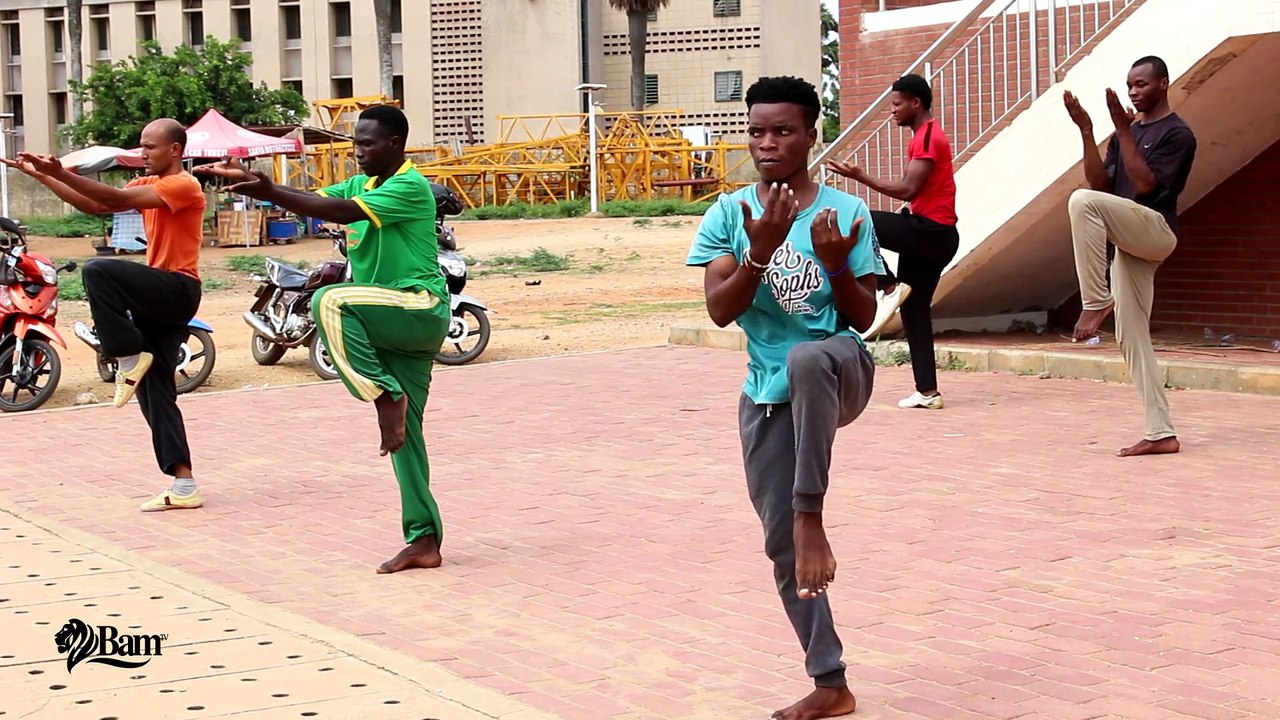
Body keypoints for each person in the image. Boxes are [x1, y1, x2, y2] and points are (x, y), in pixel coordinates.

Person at [686, 76, 882, 720]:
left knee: (806, 355)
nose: (767, 143)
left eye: (783, 131)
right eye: (757, 131)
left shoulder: (843, 213)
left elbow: (861, 315)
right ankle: (831, 682)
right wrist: (759, 256)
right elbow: (719, 313)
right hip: (767, 394)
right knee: (780, 548)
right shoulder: (729, 215)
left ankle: (811, 513)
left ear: (810, 135)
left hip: (838, 367)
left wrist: (836, 267)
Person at [196, 105, 453, 572]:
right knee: (405, 442)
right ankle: (424, 540)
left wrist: (272, 188)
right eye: (356, 142)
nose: (358, 151)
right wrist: (266, 188)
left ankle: (382, 393)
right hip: (387, 320)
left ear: (395, 144)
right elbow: (313, 199)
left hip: (417, 307)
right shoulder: (363, 183)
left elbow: (339, 211)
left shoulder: (409, 187)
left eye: (368, 143)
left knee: (329, 301)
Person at [2, 119, 209, 512]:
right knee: (154, 391)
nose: (143, 153)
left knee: (99, 269)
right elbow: (96, 203)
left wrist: (58, 169)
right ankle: (184, 485)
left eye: (150, 147)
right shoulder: (145, 186)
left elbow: (112, 201)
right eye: (141, 145)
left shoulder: (184, 185)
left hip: (178, 289)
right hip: (157, 294)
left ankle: (126, 353)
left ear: (175, 151)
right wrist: (44, 177)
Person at [1063, 55, 1195, 457]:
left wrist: (1123, 129)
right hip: (1129, 239)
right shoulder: (1128, 131)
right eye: (1130, 85)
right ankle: (1162, 432)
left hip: (1155, 230)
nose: (1134, 92)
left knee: (1081, 202)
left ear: (1163, 84)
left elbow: (1144, 187)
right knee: (1131, 335)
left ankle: (1095, 300)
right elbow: (1101, 183)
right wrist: (1088, 130)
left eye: (1141, 84)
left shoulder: (1178, 134)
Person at [827, 74, 959, 410]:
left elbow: (908, 189)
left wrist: (860, 177)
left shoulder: (928, 136)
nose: (892, 111)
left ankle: (886, 284)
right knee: (914, 310)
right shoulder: (924, 135)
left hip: (931, 233)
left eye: (897, 104)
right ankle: (928, 392)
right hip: (933, 234)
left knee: (857, 218)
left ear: (916, 103)